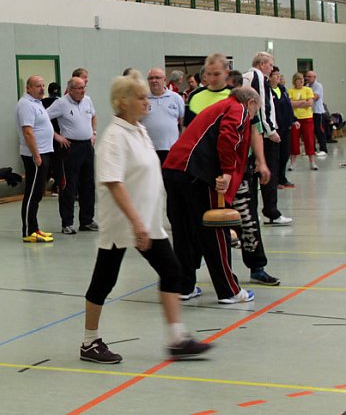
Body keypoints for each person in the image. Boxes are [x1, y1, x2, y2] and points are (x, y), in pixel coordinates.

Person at [79, 74, 211, 364]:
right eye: (140, 96)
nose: (145, 101)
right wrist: (137, 223)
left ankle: (177, 339)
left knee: (172, 271)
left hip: (148, 223)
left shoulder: (138, 130)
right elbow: (114, 183)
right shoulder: (114, 137)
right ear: (124, 101)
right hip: (124, 224)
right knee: (104, 281)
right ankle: (89, 342)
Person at [163, 87, 261, 304]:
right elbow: (229, 136)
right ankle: (228, 290)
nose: (253, 117)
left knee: (184, 232)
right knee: (214, 231)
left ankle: (184, 286)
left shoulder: (218, 107)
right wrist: (227, 171)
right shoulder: (238, 108)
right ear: (251, 103)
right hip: (197, 173)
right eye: (256, 111)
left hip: (173, 170)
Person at [243, 52, 290, 226]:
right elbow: (262, 106)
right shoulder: (258, 78)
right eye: (270, 65)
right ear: (262, 64)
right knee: (268, 172)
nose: (271, 69)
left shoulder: (246, 77)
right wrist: (271, 131)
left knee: (254, 175)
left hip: (254, 133)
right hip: (262, 134)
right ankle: (272, 212)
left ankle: (254, 213)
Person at [46, 77, 97, 235]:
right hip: (70, 148)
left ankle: (87, 220)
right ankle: (67, 222)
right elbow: (43, 119)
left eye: (84, 87)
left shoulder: (87, 100)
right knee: (68, 186)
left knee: (88, 185)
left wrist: (93, 132)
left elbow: (94, 116)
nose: (83, 91)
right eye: (80, 88)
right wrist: (57, 136)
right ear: (71, 89)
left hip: (87, 147)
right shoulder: (61, 103)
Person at [17, 75, 56, 242]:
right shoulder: (25, 105)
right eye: (37, 86)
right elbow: (28, 132)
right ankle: (28, 231)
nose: (41, 89)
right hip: (35, 156)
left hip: (44, 152)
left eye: (43, 85)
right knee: (32, 193)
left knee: (38, 193)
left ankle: (35, 228)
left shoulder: (37, 103)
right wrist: (36, 155)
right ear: (28, 88)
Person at [141, 68, 184, 163]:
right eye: (151, 78)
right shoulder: (143, 99)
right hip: (149, 149)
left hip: (171, 149)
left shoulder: (176, 98)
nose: (154, 81)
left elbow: (182, 122)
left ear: (164, 80)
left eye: (157, 78)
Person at [184, 54, 231, 126]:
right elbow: (187, 129)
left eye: (216, 74)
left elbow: (250, 129)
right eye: (209, 74)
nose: (212, 78)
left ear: (226, 73)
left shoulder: (236, 95)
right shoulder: (194, 96)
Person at [269, 67, 296, 188]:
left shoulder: (283, 89)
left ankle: (282, 178)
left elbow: (289, 106)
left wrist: (294, 119)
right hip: (275, 128)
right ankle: (274, 180)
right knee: (275, 155)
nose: (277, 76)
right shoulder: (268, 91)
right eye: (275, 74)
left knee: (285, 154)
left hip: (286, 127)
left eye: (278, 74)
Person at [288, 72, 317, 170]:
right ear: (295, 81)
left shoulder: (308, 90)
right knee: (294, 140)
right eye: (299, 79)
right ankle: (292, 163)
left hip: (307, 117)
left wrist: (297, 103)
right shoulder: (291, 91)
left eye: (302, 79)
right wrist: (302, 102)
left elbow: (310, 103)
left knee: (309, 139)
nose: (301, 81)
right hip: (295, 118)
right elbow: (290, 104)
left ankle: (312, 162)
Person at [305, 70, 327, 156]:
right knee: (310, 131)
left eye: (310, 77)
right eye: (307, 76)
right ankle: (312, 149)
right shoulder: (306, 86)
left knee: (319, 130)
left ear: (314, 77)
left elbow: (315, 97)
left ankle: (323, 149)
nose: (308, 78)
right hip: (309, 112)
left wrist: (305, 100)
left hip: (318, 112)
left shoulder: (318, 86)